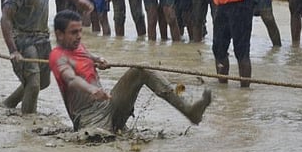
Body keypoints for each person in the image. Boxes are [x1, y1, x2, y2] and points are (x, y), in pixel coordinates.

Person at [49, 10, 211, 133]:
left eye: (80, 31)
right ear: (59, 35)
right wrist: (92, 89)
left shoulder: (77, 46)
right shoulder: (57, 57)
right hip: (89, 118)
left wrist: (97, 59)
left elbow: (85, 56)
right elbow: (71, 79)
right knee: (105, 145)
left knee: (141, 69)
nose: (78, 36)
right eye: (73, 32)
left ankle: (189, 111)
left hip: (108, 104)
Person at [1, 0, 94, 114]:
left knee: (44, 82)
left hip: (42, 34)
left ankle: (8, 104)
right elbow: (6, 18)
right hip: (22, 36)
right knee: (34, 83)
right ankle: (28, 124)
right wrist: (13, 50)